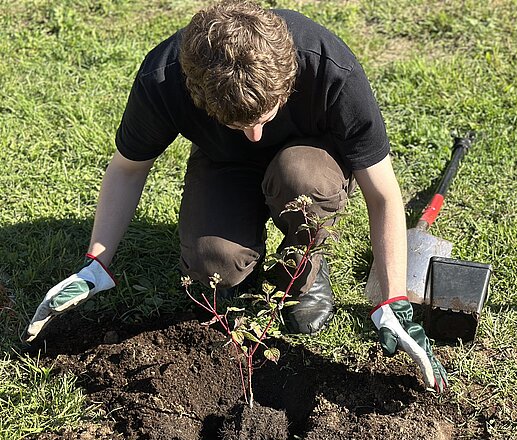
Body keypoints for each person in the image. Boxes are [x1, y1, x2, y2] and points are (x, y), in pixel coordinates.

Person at [25, 0, 447, 392]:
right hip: (224, 162)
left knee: (303, 180)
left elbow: (383, 194)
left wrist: (392, 301)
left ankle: (305, 270)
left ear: (289, 81)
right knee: (213, 266)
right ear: (198, 95)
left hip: (309, 159)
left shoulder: (329, 66)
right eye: (239, 124)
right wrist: (96, 264)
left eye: (265, 117)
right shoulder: (164, 78)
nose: (255, 136)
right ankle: (243, 255)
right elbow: (127, 168)